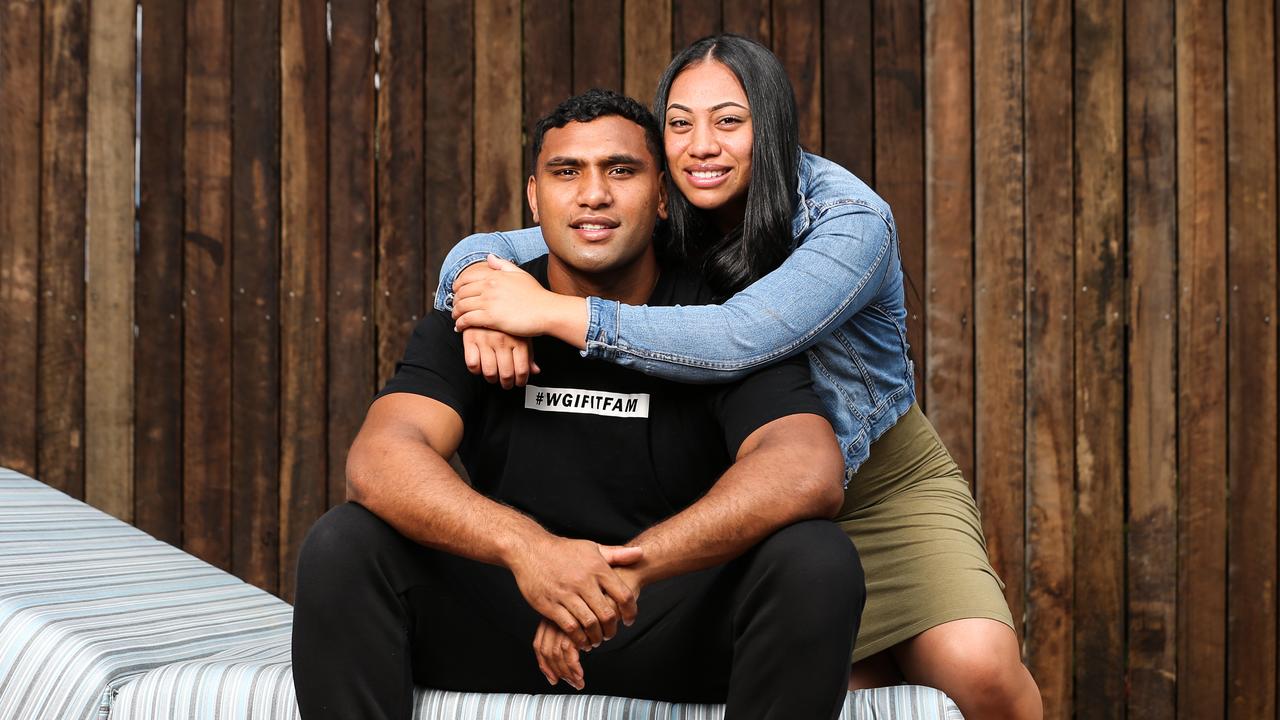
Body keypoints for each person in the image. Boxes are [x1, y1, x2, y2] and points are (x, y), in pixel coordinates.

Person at [440, 35, 1043, 720]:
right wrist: (479, 297)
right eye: (679, 123)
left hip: (875, 481)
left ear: (772, 123)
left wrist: (550, 311)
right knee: (823, 681)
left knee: (978, 671)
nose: (702, 145)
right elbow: (498, 246)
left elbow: (738, 338)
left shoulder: (849, 221)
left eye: (729, 120)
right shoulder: (662, 204)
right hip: (747, 481)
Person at [291, 89, 863, 720]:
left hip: (668, 617)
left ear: (664, 196)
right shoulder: (486, 314)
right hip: (507, 615)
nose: (594, 194)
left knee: (816, 561)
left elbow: (806, 467)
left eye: (621, 170)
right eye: (567, 173)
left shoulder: (718, 319)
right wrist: (530, 551)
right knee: (344, 543)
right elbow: (380, 458)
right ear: (535, 199)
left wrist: (622, 576)